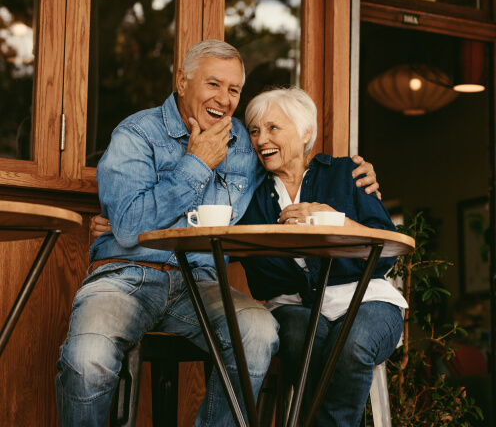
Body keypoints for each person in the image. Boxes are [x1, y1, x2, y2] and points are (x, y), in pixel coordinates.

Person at [57, 40, 379, 427]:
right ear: (182, 80)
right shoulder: (136, 134)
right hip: (128, 274)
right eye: (214, 84)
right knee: (87, 358)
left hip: (203, 283)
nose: (224, 99)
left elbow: (291, 162)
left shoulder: (246, 142)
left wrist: (352, 175)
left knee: (259, 334)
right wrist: (196, 164)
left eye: (234, 90)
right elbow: (126, 226)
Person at [239, 87, 408, 426]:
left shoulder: (347, 173)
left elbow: (386, 252)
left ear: (304, 133)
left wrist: (336, 221)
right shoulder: (251, 196)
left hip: (367, 301)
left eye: (273, 128)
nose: (261, 139)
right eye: (255, 130)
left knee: (352, 343)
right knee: (304, 341)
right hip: (294, 307)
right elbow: (258, 273)